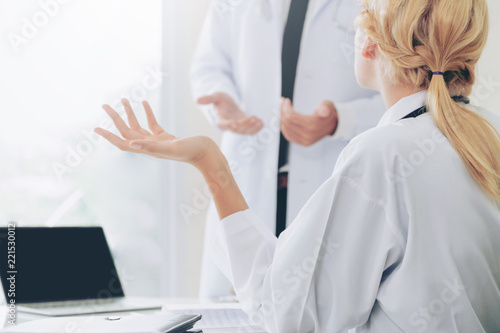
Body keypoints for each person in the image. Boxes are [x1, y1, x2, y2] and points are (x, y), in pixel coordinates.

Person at [95, 0, 500, 331]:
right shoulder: (487, 138)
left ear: (369, 45)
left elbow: (289, 313)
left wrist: (210, 163)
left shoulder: (383, 155)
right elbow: (209, 65)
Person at [190, 0, 386, 299]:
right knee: (234, 309)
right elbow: (208, 66)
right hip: (250, 175)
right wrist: (221, 99)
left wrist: (341, 119)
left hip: (330, 178)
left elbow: (408, 92)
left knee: (320, 305)